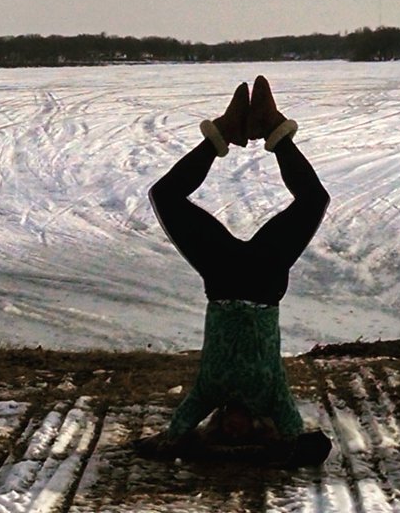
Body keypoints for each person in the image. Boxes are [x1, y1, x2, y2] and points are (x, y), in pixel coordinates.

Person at [137, 75, 332, 467]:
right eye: (242, 435)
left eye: (226, 433)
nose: (235, 429)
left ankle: (224, 132)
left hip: (223, 278)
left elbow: (174, 434)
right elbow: (302, 440)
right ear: (261, 428)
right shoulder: (272, 397)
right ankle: (274, 128)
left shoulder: (210, 390)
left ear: (218, 423)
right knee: (315, 200)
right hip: (264, 282)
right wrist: (297, 450)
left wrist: (169, 446)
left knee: (165, 197)